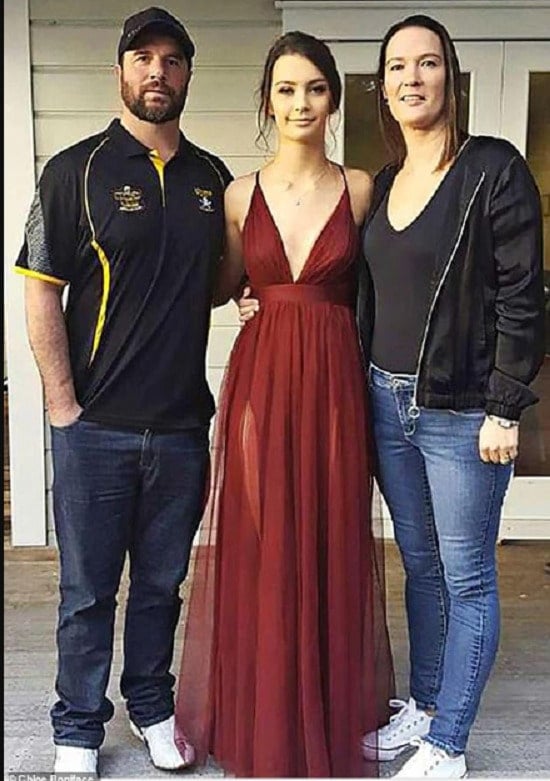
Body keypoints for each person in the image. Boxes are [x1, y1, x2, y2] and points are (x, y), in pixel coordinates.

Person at [238, 14, 545, 780]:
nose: (413, 78)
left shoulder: (491, 168)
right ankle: (428, 703)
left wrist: (506, 404)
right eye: (399, 66)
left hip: (462, 407)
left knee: (467, 574)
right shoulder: (385, 181)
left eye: (428, 63)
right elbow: (355, 285)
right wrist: (265, 300)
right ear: (383, 86)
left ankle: (450, 742)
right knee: (421, 564)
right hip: (383, 398)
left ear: (450, 75)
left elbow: (523, 292)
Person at [15, 7, 231, 776]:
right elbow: (40, 289)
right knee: (87, 591)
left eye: (172, 60)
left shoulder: (213, 180)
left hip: (180, 428)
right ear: (121, 72)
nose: (157, 72)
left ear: (188, 75)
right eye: (144, 58)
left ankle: (151, 707)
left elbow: (222, 280)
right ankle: (77, 725)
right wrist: (62, 406)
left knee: (161, 586)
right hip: (95, 427)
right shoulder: (74, 170)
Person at [174, 30, 394, 778]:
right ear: (268, 102)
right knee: (263, 534)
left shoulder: (360, 189)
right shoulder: (239, 194)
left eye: (315, 88)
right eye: (287, 89)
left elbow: (382, 286)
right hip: (262, 378)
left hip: (334, 379)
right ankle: (262, 712)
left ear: (333, 99)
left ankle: (322, 710)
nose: (301, 103)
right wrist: (245, 293)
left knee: (328, 530)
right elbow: (224, 282)